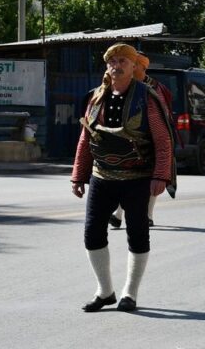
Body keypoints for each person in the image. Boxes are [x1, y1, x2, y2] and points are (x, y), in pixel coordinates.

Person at [71, 43, 173, 313]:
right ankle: (105, 291)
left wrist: (161, 175)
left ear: (133, 66)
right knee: (92, 233)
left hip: (137, 177)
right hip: (101, 176)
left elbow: (163, 141)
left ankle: (130, 293)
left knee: (137, 234)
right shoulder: (97, 96)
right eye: (112, 61)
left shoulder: (147, 97)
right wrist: (78, 175)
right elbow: (86, 137)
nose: (116, 65)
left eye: (122, 61)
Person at [110, 54, 176, 228]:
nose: (130, 68)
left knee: (150, 178)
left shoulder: (155, 88)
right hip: (127, 139)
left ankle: (148, 214)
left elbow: (163, 116)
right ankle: (118, 213)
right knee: (123, 176)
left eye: (134, 65)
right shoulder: (124, 85)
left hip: (151, 142)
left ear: (142, 68)